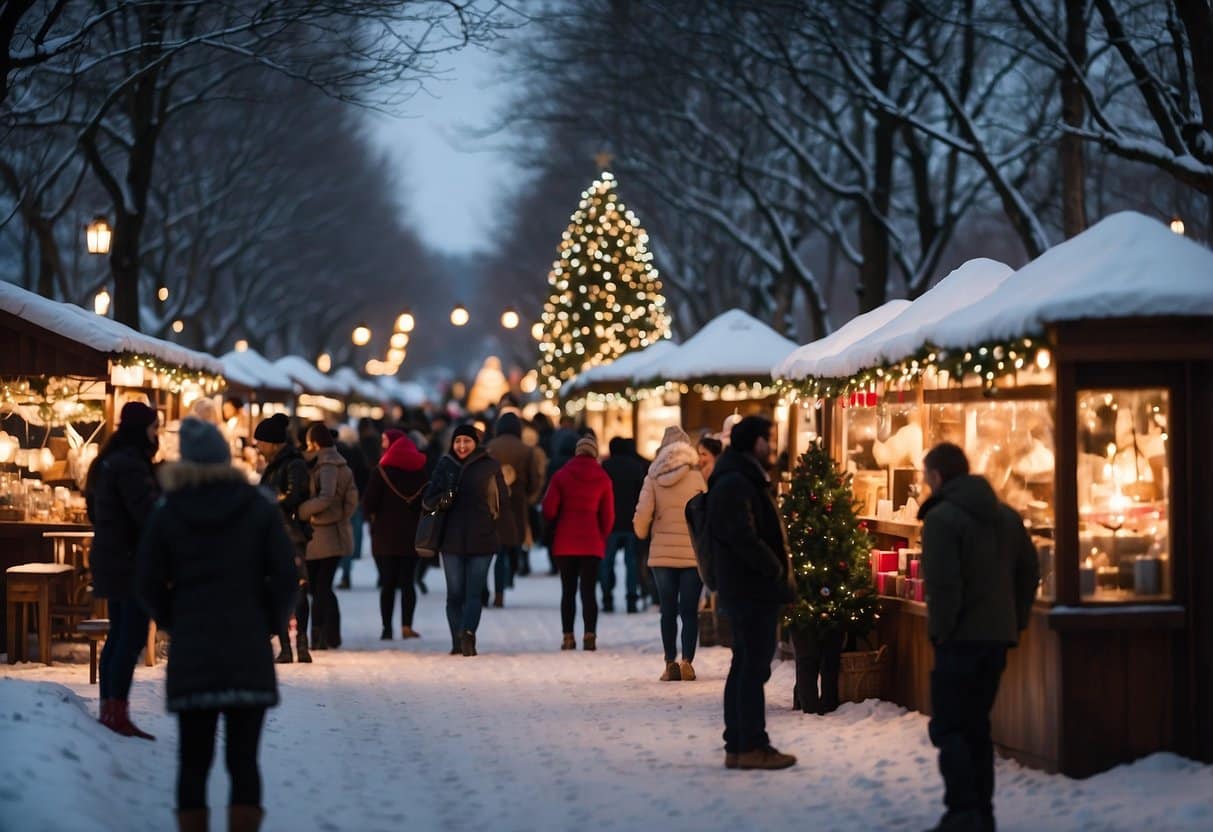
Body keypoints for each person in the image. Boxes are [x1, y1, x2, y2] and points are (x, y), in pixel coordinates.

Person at [135, 418, 297, 832]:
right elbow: (283, 575)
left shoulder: (168, 510)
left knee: (193, 760)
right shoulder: (258, 506)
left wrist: (174, 618)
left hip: (195, 647)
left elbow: (147, 580)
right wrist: (269, 622)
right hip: (247, 647)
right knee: (244, 760)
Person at [918, 442, 1039, 832]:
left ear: (937, 476)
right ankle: (980, 812)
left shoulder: (941, 520)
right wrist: (1015, 620)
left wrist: (941, 631)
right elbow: (1028, 571)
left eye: (925, 477)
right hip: (995, 638)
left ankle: (963, 812)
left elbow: (944, 586)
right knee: (976, 725)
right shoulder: (1005, 516)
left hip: (959, 639)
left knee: (951, 726)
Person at [706, 415, 797, 771]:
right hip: (749, 589)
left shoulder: (740, 476)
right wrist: (772, 566)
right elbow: (740, 535)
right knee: (751, 667)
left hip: (748, 587)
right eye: (767, 439)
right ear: (753, 442)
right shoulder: (735, 481)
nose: (771, 447)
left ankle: (740, 744)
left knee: (747, 664)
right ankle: (750, 744)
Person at [84, 401, 161, 740]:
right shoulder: (130, 465)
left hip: (112, 558)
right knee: (128, 638)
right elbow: (147, 514)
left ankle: (110, 710)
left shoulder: (107, 462)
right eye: (153, 428)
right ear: (140, 430)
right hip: (130, 562)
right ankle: (116, 714)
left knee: (118, 635)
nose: (155, 435)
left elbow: (93, 511)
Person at [423, 424, 507, 657]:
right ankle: (459, 639)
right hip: (451, 540)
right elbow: (428, 500)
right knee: (455, 594)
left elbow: (502, 500)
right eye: (457, 441)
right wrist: (444, 498)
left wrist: (492, 521)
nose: (461, 446)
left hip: (481, 539)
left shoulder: (489, 466)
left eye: (466, 441)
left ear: (475, 443)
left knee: (472, 593)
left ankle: (466, 634)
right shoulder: (445, 465)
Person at [634, 426, 707, 681]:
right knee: (689, 610)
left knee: (668, 610)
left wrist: (643, 532)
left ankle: (669, 663)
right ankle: (687, 660)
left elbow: (642, 517)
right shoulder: (698, 477)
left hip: (662, 555)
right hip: (692, 553)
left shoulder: (653, 477)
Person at [543, 435, 614, 651]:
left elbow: (549, 509)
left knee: (568, 591)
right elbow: (608, 516)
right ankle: (590, 636)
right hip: (591, 543)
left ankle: (568, 637)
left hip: (565, 543)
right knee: (589, 591)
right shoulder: (603, 478)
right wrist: (600, 536)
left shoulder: (561, 476)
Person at [253, 413, 312, 664]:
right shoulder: (276, 464)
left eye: (261, 443)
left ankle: (301, 645)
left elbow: (294, 496)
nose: (258, 448)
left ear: (274, 443)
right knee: (281, 589)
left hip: (291, 534)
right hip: (277, 534)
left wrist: (268, 499)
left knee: (297, 589)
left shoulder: (293, 464)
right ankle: (286, 647)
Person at [362, 434, 429, 640]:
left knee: (388, 583)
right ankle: (407, 627)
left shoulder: (380, 472)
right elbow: (429, 505)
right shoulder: (422, 474)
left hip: (385, 537)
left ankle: (387, 628)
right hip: (412, 536)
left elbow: (368, 505)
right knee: (408, 582)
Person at [298, 423, 357, 651]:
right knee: (322, 588)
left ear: (313, 442)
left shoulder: (325, 465)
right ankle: (330, 634)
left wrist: (302, 511)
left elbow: (326, 497)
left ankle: (318, 635)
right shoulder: (342, 465)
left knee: (319, 588)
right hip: (334, 534)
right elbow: (352, 499)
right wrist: (343, 516)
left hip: (319, 535)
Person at [486, 412, 544, 607]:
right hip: (516, 505)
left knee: (487, 552)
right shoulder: (527, 451)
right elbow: (535, 480)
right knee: (505, 549)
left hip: (491, 504)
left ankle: (484, 590)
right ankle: (501, 591)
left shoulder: (489, 448)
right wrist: (527, 497)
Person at [600, 437, 648, 614]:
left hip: (610, 523)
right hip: (631, 523)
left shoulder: (606, 467)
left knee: (607, 563)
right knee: (632, 563)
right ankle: (631, 599)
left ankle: (607, 598)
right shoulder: (636, 467)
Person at [334, 425, 371, 590]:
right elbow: (365, 476)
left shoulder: (337, 452)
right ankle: (346, 572)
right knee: (351, 533)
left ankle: (341, 570)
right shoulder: (359, 452)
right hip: (355, 497)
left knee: (338, 535)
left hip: (339, 499)